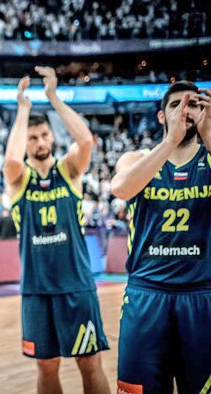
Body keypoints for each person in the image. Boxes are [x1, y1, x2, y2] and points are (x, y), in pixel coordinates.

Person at [3, 69, 110, 394]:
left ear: (52, 137)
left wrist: (53, 97)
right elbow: (11, 159)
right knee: (46, 367)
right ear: (25, 142)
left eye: (44, 135)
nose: (39, 142)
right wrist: (23, 109)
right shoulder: (19, 180)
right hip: (37, 290)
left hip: (76, 285)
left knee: (89, 363)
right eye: (32, 138)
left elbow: (86, 140)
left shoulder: (68, 170)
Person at [110, 82, 211, 393]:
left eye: (193, 104)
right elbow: (121, 188)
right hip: (146, 293)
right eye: (176, 105)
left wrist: (209, 136)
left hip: (202, 294)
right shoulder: (136, 157)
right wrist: (170, 141)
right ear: (161, 116)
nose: (185, 110)